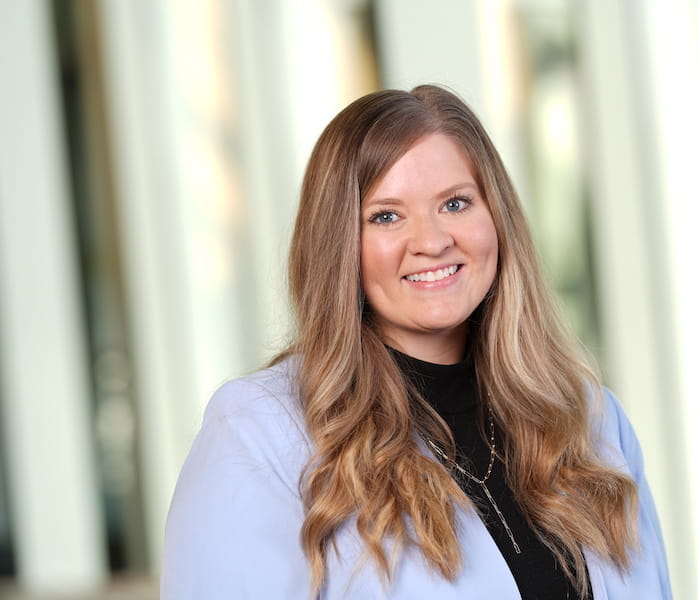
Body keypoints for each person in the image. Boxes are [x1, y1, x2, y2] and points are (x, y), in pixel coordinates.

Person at [161, 85, 672, 599]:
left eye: (455, 203)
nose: (431, 241)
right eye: (386, 215)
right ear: (340, 245)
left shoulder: (588, 420)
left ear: (497, 219)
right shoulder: (262, 433)